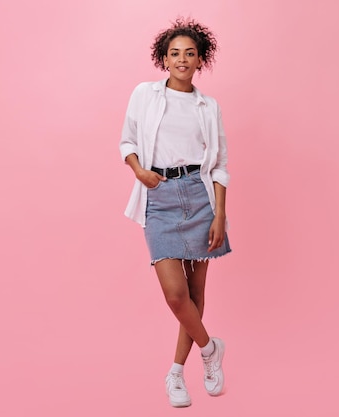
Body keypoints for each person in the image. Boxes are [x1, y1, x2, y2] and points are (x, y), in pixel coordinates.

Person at [119, 18, 232, 408]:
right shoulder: (145, 95)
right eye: (174, 53)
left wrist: (219, 214)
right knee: (176, 295)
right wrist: (139, 171)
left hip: (199, 198)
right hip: (159, 195)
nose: (182, 59)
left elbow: (218, 165)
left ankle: (176, 372)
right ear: (163, 59)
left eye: (189, 53)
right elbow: (127, 141)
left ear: (201, 60)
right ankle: (209, 349)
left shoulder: (208, 106)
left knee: (197, 293)